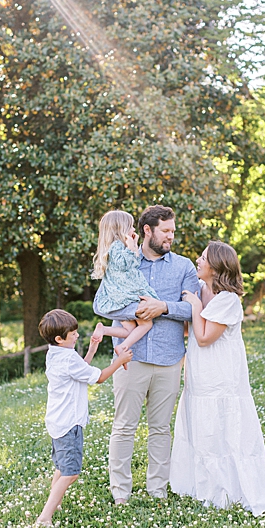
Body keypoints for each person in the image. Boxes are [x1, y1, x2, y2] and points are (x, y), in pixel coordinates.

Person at [93, 205, 199, 505]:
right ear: (147, 231)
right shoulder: (122, 258)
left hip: (169, 359)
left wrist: (162, 307)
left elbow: (194, 310)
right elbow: (104, 302)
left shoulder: (183, 267)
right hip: (131, 359)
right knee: (124, 426)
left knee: (160, 429)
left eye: (173, 231)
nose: (171, 236)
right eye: (166, 231)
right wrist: (135, 312)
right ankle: (120, 493)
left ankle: (157, 490)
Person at [170, 241, 265, 515]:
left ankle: (228, 489)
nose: (197, 259)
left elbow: (205, 337)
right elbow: (190, 332)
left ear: (216, 266)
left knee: (224, 431)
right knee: (203, 431)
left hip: (221, 376)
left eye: (203, 257)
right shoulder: (202, 289)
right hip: (199, 376)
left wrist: (194, 306)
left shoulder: (227, 300)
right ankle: (202, 485)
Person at [35, 309, 132, 526]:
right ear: (60, 339)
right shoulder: (68, 358)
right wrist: (119, 360)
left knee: (61, 467)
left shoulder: (54, 353)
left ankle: (55, 502)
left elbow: (80, 369)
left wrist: (92, 349)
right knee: (70, 473)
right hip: (69, 423)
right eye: (73, 334)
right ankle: (44, 517)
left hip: (57, 420)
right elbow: (98, 378)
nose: (77, 335)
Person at [91, 210, 159, 361]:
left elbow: (133, 264)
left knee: (131, 329)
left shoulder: (119, 247)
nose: (134, 230)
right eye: (131, 226)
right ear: (121, 229)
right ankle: (122, 347)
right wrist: (130, 248)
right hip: (124, 297)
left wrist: (133, 247)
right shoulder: (115, 247)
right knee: (146, 324)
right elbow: (124, 264)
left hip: (121, 296)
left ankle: (104, 329)